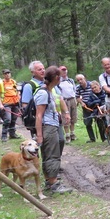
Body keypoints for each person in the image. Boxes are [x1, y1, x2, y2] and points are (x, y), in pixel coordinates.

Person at [34, 66, 71, 194]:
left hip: (53, 125)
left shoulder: (50, 91)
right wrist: (39, 135)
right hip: (48, 127)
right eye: (59, 77)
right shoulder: (43, 93)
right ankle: (53, 183)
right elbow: (39, 116)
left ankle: (49, 180)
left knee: (49, 153)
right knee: (52, 154)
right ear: (56, 78)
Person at [21, 61, 46, 139]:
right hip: (37, 121)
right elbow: (25, 105)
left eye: (43, 68)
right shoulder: (29, 86)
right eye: (39, 69)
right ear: (33, 72)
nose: (43, 71)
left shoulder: (48, 83)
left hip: (51, 120)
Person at [0, 69, 22, 141]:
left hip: (15, 103)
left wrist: (18, 96)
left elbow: (16, 90)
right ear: (3, 75)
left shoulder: (13, 81)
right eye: (6, 73)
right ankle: (4, 135)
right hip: (6, 103)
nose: (7, 74)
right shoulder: (0, 83)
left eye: (8, 73)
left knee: (14, 119)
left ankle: (12, 134)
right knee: (8, 119)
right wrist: (0, 104)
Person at [58, 66, 78, 141]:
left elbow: (74, 90)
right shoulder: (58, 81)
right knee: (65, 117)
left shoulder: (70, 80)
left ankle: (72, 133)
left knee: (73, 117)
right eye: (62, 71)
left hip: (72, 99)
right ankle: (67, 135)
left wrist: (75, 99)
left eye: (65, 70)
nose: (64, 72)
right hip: (64, 100)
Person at [75, 74, 96, 142]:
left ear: (85, 78)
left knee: (99, 121)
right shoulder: (78, 87)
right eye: (78, 80)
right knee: (87, 122)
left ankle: (104, 138)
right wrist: (81, 103)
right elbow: (77, 97)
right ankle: (92, 139)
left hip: (94, 104)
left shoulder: (91, 84)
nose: (80, 81)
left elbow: (97, 91)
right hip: (85, 106)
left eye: (81, 79)